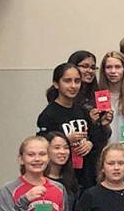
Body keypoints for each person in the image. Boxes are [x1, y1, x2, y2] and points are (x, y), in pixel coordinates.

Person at [37, 62, 109, 190]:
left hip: (85, 175)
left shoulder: (82, 111)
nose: (73, 86)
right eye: (67, 81)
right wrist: (65, 141)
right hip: (60, 176)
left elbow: (95, 138)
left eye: (77, 81)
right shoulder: (48, 115)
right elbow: (42, 145)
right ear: (56, 84)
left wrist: (90, 143)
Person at [97, 51, 124, 143]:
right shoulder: (97, 97)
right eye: (109, 67)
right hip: (104, 151)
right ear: (103, 71)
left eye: (117, 67)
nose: (113, 71)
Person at [43, 131, 78, 211]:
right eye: (57, 148)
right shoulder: (40, 180)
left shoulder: (71, 180)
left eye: (66, 148)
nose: (62, 152)